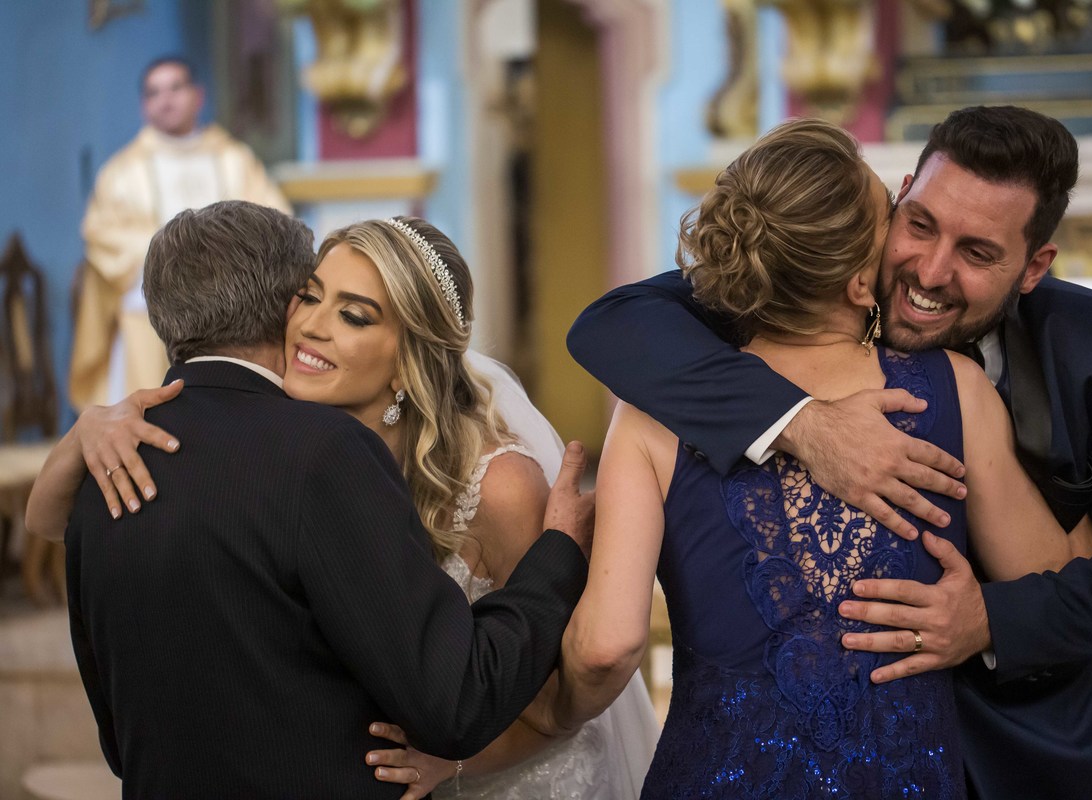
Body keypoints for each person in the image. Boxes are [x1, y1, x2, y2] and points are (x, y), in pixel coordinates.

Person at [566, 106, 1092, 798]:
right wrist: (801, 422)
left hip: (1013, 754)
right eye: (919, 224)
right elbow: (609, 324)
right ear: (898, 197)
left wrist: (991, 619)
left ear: (1033, 265)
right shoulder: (775, 284)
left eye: (978, 252)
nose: (928, 270)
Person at [29, 213, 658, 799]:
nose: (310, 324)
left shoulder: (498, 484)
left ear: (408, 361)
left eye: (354, 315)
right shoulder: (282, 455)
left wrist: (457, 761)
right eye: (308, 295)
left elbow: (554, 701)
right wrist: (88, 431)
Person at [69, 56, 291, 409]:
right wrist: (174, 268)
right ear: (144, 105)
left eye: (175, 88)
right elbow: (102, 234)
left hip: (233, 305)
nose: (166, 100)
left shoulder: (235, 160)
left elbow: (275, 221)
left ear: (198, 96)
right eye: (154, 93)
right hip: (150, 307)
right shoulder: (123, 171)